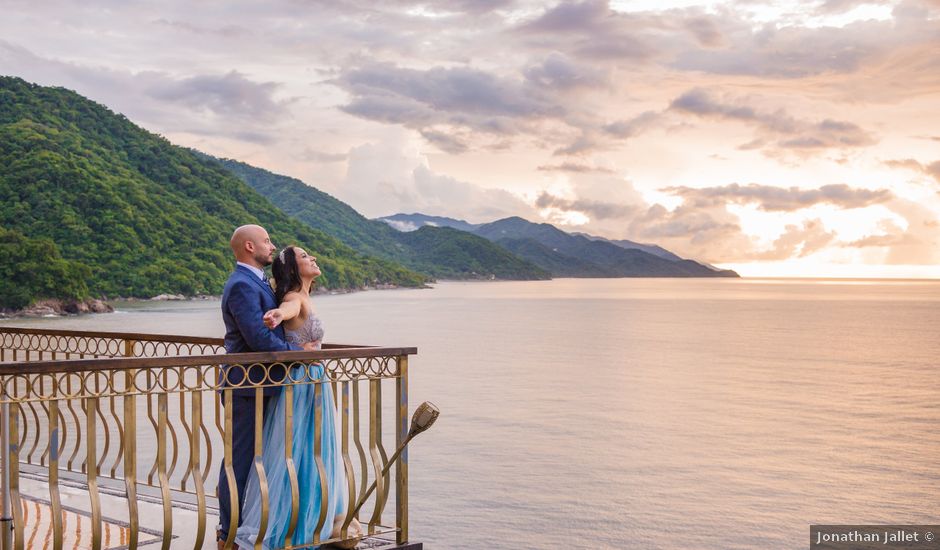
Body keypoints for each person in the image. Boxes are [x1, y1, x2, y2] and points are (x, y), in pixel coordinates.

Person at [234, 246, 360, 550]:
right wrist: (278, 314)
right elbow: (288, 310)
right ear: (292, 268)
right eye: (305, 256)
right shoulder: (293, 299)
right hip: (303, 384)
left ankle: (318, 516)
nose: (313, 258)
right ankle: (300, 525)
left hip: (315, 382)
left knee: (315, 449)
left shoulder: (306, 296)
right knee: (302, 449)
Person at [217, 225, 318, 548]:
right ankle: (227, 532)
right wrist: (300, 356)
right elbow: (257, 339)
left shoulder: (257, 282)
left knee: (267, 460)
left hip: (267, 384)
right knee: (240, 462)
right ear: (249, 246)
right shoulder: (241, 286)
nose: (272, 247)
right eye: (266, 242)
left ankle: (260, 523)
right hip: (247, 386)